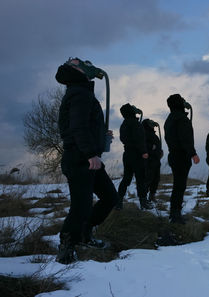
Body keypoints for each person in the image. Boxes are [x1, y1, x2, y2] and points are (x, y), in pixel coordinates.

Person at [55, 57, 118, 264]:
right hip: (80, 158)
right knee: (80, 205)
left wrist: (101, 134)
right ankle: (66, 246)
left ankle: (84, 233)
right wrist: (91, 153)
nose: (86, 64)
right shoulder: (79, 93)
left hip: (89, 158)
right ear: (74, 70)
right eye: (78, 62)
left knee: (109, 197)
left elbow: (84, 125)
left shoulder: (81, 92)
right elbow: (77, 127)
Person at [164, 94, 200, 224]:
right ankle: (175, 215)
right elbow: (185, 139)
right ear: (179, 103)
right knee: (180, 186)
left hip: (173, 155)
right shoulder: (181, 119)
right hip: (181, 156)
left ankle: (175, 212)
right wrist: (193, 154)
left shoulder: (170, 118)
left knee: (177, 185)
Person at [116, 104, 153, 210]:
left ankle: (118, 201)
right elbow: (139, 139)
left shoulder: (124, 124)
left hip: (127, 154)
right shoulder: (135, 123)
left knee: (126, 178)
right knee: (141, 179)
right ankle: (143, 202)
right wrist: (144, 151)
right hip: (137, 155)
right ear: (131, 111)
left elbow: (123, 139)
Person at [142, 119, 163, 202]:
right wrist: (151, 147)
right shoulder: (144, 134)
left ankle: (152, 196)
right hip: (149, 160)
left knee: (156, 179)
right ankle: (143, 197)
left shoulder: (153, 134)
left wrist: (159, 152)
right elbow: (143, 145)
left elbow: (157, 145)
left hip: (156, 159)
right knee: (148, 179)